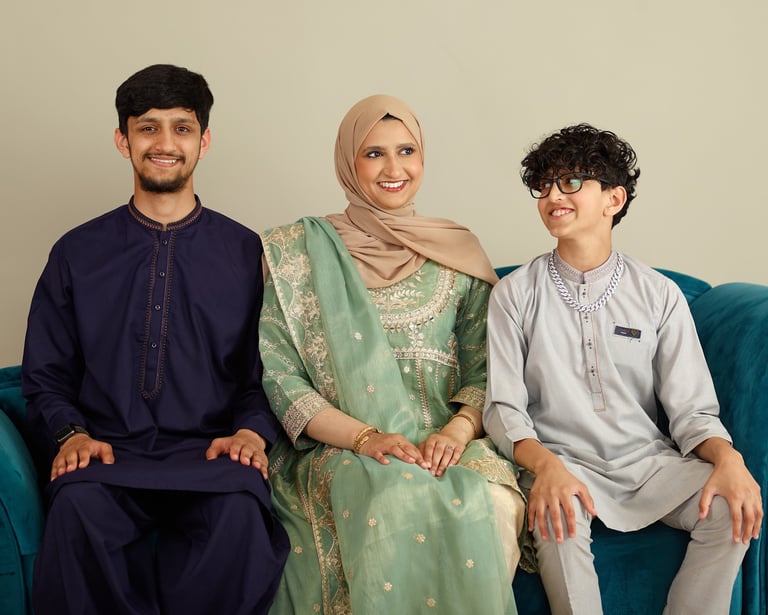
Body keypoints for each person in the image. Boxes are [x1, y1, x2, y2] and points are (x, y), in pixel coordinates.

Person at [22, 64, 289, 615]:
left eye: (182, 128)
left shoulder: (247, 254)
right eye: (148, 128)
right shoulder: (76, 252)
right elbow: (45, 373)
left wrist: (250, 432)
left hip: (212, 455)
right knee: (76, 511)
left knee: (241, 515)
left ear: (204, 141)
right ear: (123, 140)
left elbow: (267, 372)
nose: (165, 143)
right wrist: (70, 433)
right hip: (107, 453)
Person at [259, 95, 530, 614]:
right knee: (389, 496)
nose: (393, 168)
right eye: (374, 153)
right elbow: (281, 376)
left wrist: (456, 431)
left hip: (444, 442)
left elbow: (487, 368)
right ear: (348, 163)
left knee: (492, 500)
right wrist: (364, 437)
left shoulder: (458, 253)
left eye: (406, 151)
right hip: (339, 448)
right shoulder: (299, 250)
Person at [483, 123, 763, 614]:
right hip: (561, 464)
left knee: (728, 506)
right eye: (544, 184)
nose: (553, 195)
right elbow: (503, 409)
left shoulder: (659, 295)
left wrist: (729, 461)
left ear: (614, 198)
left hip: (648, 465)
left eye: (571, 182)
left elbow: (693, 410)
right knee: (559, 515)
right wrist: (546, 468)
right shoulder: (515, 294)